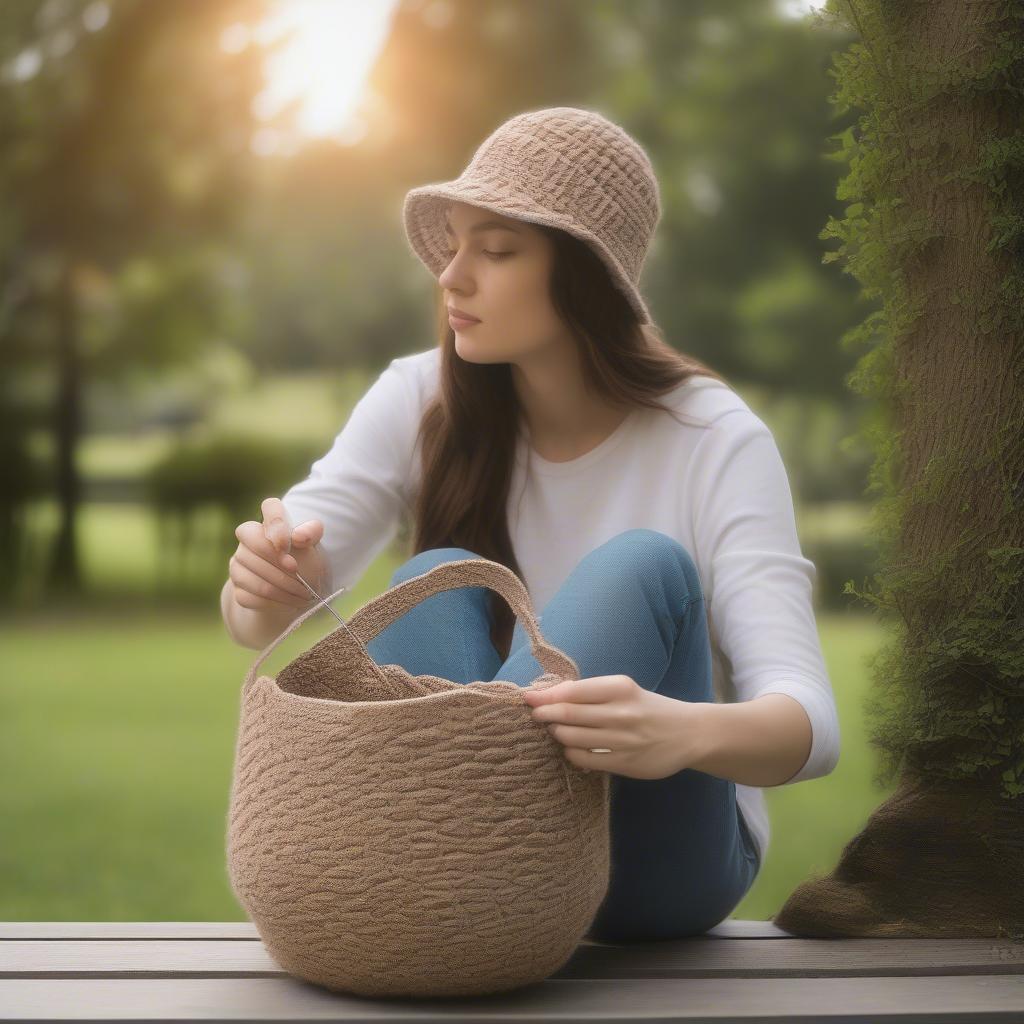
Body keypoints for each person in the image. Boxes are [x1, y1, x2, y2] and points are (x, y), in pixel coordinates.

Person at [221, 106, 840, 941]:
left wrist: (676, 731)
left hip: (650, 863)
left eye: (498, 249)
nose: (453, 276)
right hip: (451, 864)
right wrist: (263, 581)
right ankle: (477, 872)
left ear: (586, 277)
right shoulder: (419, 395)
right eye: (455, 244)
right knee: (430, 576)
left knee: (640, 568)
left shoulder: (714, 439)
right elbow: (268, 605)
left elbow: (811, 724)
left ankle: (467, 869)